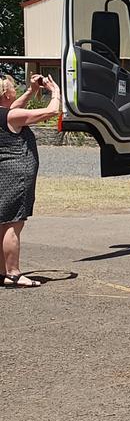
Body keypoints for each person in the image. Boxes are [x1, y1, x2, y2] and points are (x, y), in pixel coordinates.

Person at [0, 74, 60, 288]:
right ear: (6, 93)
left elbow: (15, 107)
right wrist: (55, 93)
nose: (15, 89)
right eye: (13, 87)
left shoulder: (6, 113)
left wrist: (31, 90)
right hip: (18, 173)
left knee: (4, 222)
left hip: (5, 172)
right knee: (14, 224)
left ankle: (3, 271)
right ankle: (14, 273)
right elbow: (50, 111)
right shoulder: (12, 116)